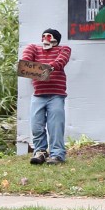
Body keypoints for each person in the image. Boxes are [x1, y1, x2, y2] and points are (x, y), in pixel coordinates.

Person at [19, 29, 71, 165]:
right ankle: (40, 151)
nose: (45, 39)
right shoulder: (34, 48)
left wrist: (46, 68)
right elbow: (25, 64)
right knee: (36, 125)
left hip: (56, 95)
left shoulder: (63, 49)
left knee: (55, 126)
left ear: (55, 39)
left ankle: (57, 154)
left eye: (49, 36)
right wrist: (35, 67)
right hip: (38, 95)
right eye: (43, 36)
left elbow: (61, 62)